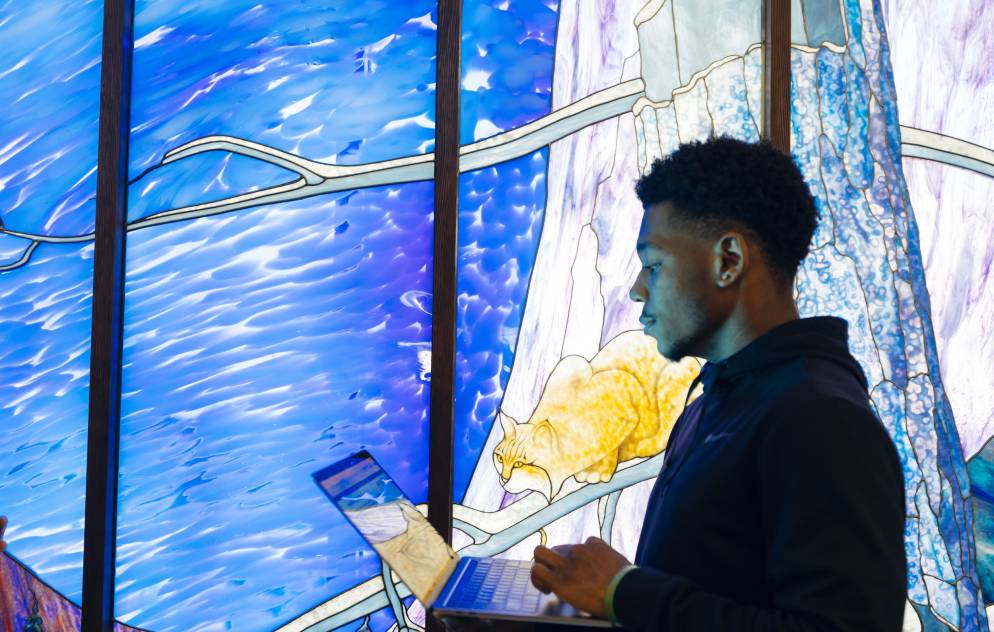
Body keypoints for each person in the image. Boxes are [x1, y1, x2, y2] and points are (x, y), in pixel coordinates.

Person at [529, 137, 907, 631]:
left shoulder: (822, 418)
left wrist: (626, 590)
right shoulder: (713, 404)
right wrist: (598, 595)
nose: (637, 289)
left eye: (655, 264)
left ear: (728, 260)